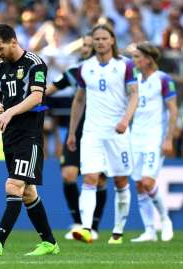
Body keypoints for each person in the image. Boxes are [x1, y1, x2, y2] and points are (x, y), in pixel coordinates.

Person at [0, 24, 59, 256]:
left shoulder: (34, 63)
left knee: (13, 185)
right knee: (27, 192)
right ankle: (50, 243)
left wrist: (8, 112)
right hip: (10, 135)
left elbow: (36, 96)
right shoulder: (1, 68)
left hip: (29, 134)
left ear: (13, 41)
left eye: (0, 48)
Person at [67, 23, 139, 244]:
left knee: (120, 181)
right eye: (96, 39)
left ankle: (117, 231)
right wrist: (72, 132)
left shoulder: (125, 65)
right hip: (92, 132)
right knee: (89, 177)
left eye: (103, 38)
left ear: (112, 41)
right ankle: (86, 228)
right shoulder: (84, 67)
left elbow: (134, 95)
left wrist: (125, 120)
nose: (99, 42)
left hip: (117, 132)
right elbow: (79, 100)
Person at [46, 32, 107, 240]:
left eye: (89, 45)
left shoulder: (110, 69)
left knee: (98, 180)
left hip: (102, 128)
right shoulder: (76, 71)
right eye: (84, 45)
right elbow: (51, 88)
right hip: (79, 127)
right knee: (69, 175)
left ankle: (94, 226)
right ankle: (78, 222)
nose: (85, 49)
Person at [129, 42, 177, 242]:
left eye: (138, 57)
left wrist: (168, 138)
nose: (134, 61)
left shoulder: (163, 79)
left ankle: (165, 220)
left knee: (149, 182)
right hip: (135, 137)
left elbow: (173, 110)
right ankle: (149, 230)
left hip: (154, 138)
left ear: (148, 59)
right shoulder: (135, 81)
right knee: (139, 184)